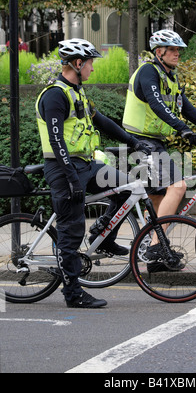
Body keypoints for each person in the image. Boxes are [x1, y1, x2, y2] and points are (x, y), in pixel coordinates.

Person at [36, 38, 150, 308]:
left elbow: (102, 121)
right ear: (77, 63)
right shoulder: (55, 95)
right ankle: (73, 294)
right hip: (63, 169)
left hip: (86, 165)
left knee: (127, 190)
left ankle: (106, 238)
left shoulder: (78, 92)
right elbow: (56, 141)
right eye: (90, 63)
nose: (92, 69)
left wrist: (133, 142)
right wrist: (72, 178)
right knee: (71, 232)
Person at [123, 29, 196, 267]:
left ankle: (154, 257)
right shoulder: (148, 72)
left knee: (160, 202)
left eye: (178, 50)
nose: (177, 54)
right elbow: (156, 104)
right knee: (178, 185)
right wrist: (182, 129)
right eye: (173, 49)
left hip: (155, 142)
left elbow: (187, 109)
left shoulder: (171, 78)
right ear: (159, 52)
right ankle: (155, 247)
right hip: (140, 141)